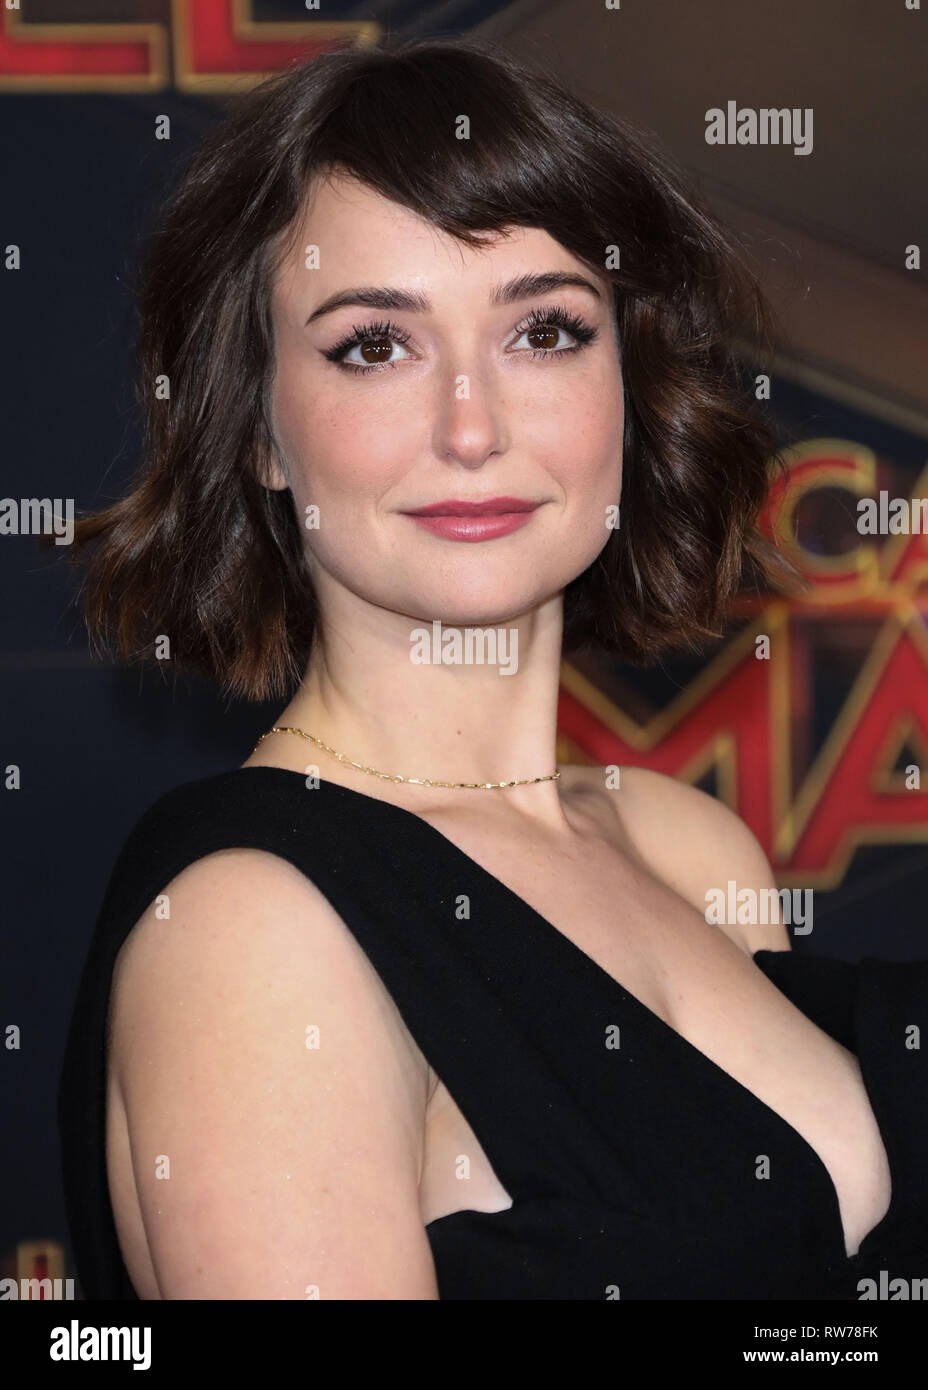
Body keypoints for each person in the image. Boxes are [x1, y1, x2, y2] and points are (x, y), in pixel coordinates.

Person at [56, 36, 926, 1301]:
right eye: (373, 345)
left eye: (546, 331)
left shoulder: (691, 850)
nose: (473, 425)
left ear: (627, 387)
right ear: (257, 432)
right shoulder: (255, 933)